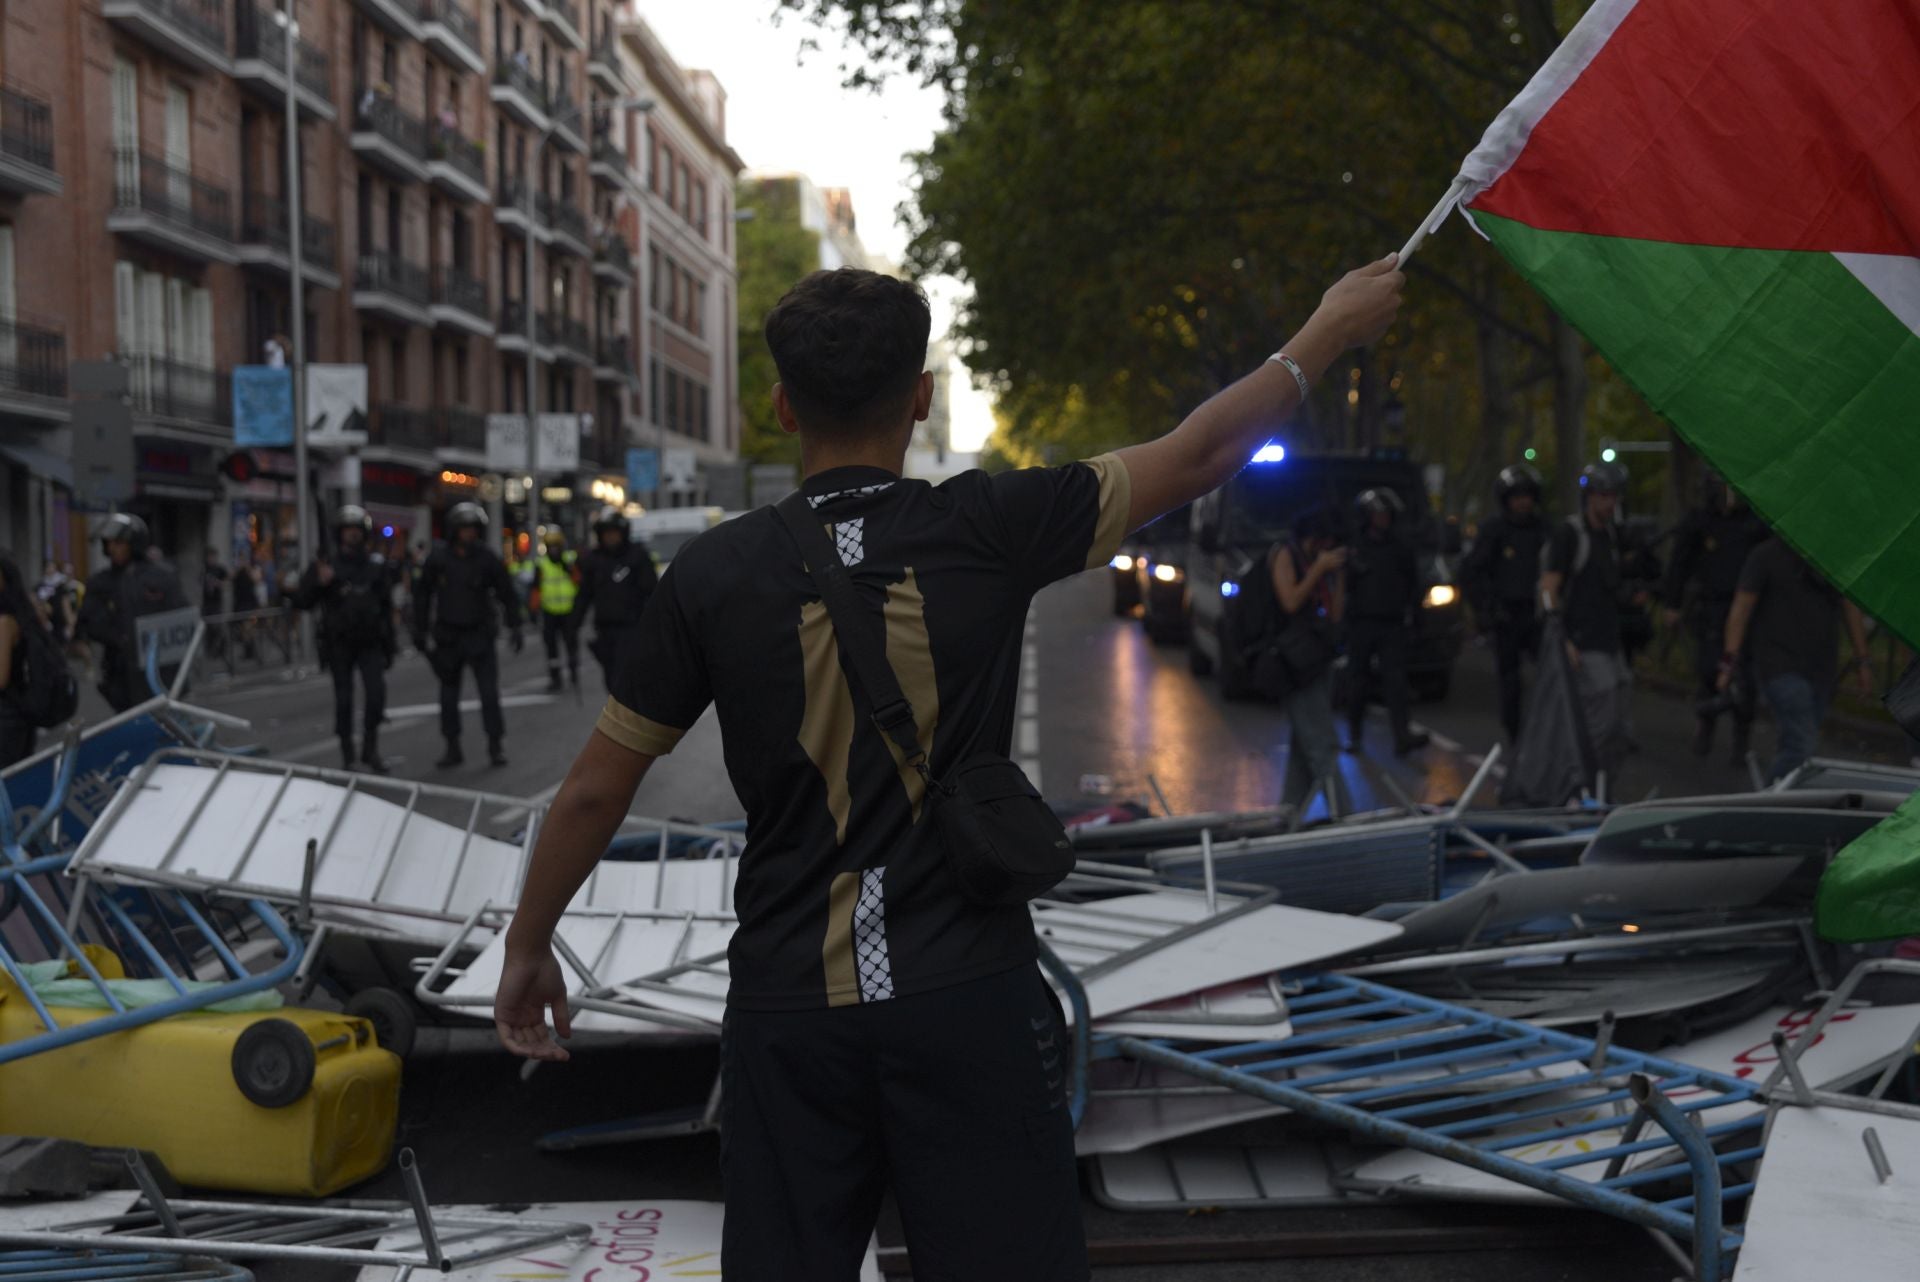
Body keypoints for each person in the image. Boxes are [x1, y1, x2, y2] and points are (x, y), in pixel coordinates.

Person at [490, 259, 1402, 1280]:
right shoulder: (992, 526)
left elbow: (596, 789)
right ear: (920, 399)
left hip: (791, 1010)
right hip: (967, 994)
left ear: (783, 404)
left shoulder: (709, 575)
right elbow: (1200, 452)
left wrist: (529, 943)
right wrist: (1325, 328)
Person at [1720, 538, 1872, 782]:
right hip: (1779, 665)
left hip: (1821, 668)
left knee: (1795, 740)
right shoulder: (1765, 556)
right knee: (1802, 746)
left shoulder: (1832, 561)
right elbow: (1741, 607)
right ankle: (1769, 803)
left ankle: (1785, 797)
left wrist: (1862, 660)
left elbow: (1850, 606)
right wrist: (1729, 661)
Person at [1663, 474, 1770, 762]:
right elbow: (1679, 562)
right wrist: (1672, 604)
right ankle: (1706, 727)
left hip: (1746, 609)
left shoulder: (1753, 524)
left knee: (1745, 677)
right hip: (1711, 607)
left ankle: (1741, 738)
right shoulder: (1701, 522)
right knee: (1710, 671)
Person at [1540, 462, 1632, 789]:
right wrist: (1561, 639)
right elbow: (1549, 588)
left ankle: (1603, 790)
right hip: (1583, 643)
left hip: (1610, 643)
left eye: (1615, 497)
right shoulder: (1570, 535)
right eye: (1604, 496)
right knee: (1599, 726)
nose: (1610, 504)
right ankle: (1582, 790)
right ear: (1590, 497)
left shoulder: (1610, 536)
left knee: (1620, 729)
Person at [414, 502, 523, 768]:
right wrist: (419, 629)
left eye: (472, 529)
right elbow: (422, 595)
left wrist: (515, 625)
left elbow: (507, 593)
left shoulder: (487, 558)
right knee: (448, 697)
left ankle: (495, 744)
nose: (468, 534)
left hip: (479, 635)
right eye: (464, 529)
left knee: (488, 693)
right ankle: (452, 746)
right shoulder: (439, 558)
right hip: (449, 636)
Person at [293, 506, 398, 772]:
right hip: (339, 642)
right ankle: (348, 754)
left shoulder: (375, 564)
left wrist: (391, 645)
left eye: (356, 531)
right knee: (344, 700)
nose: (352, 536)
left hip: (371, 640)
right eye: (347, 531)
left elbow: (386, 607)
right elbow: (303, 601)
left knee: (376, 695)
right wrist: (319, 582)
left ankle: (370, 749)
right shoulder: (327, 565)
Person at [1267, 507, 1351, 814]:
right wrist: (1318, 568)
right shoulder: (1285, 554)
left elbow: (1336, 614)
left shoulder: (1321, 563)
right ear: (1313, 538)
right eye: (1325, 542)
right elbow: (1289, 602)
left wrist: (1338, 576)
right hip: (1293, 665)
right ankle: (1348, 818)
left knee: (1304, 748)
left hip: (1317, 661)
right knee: (1321, 745)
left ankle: (1286, 815)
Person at [1462, 464, 1550, 741]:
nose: (1523, 502)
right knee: (1510, 679)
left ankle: (1547, 728)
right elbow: (1473, 572)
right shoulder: (1493, 530)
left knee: (1550, 673)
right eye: (1516, 496)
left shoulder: (1545, 529)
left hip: (1538, 614)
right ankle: (1514, 732)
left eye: (1527, 496)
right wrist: (1485, 609)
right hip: (1506, 614)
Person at [1343, 488, 1428, 756]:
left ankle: (1401, 736)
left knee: (1396, 682)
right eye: (1378, 514)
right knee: (1358, 682)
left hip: (1391, 623)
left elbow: (1414, 584)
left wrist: (1416, 618)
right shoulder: (1355, 547)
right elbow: (1344, 586)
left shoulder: (1401, 548)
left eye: (1386, 514)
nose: (1383, 519)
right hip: (1361, 624)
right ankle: (1354, 735)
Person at [76, 513, 189, 711]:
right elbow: (89, 621)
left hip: (161, 670)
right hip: (121, 673)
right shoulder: (101, 582)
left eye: (119, 543)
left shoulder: (162, 577)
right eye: (109, 543)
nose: (112, 549)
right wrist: (119, 637)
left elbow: (181, 617)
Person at [573, 505, 657, 689]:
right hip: (604, 628)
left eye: (614, 533)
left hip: (631, 628)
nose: (611, 537)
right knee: (611, 679)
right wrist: (574, 623)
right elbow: (584, 594)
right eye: (606, 533)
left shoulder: (637, 556)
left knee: (624, 677)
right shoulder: (594, 560)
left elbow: (652, 592)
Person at [0, 553, 54, 767]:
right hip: (17, 716)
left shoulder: (4, 623)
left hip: (6, 719)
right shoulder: (21, 615)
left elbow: (1, 678)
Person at [533, 530, 581, 692]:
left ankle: (574, 672)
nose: (554, 550)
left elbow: (579, 581)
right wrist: (533, 610)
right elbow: (536, 589)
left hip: (568, 611)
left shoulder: (569, 560)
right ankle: (555, 678)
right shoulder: (541, 564)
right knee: (551, 647)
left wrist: (568, 568)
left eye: (556, 547)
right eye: (551, 547)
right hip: (550, 612)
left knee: (571, 645)